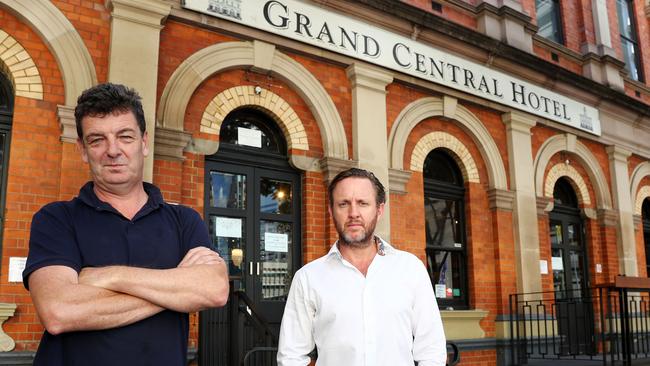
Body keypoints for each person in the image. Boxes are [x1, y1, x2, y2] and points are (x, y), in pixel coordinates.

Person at [23, 83, 229, 366]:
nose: (113, 150)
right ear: (83, 149)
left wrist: (108, 276)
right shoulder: (56, 219)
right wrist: (177, 291)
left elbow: (214, 290)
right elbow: (59, 312)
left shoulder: (184, 220)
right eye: (97, 140)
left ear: (144, 142)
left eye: (125, 136)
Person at [277, 168, 447, 366]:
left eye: (363, 203)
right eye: (344, 204)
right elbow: (291, 356)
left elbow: (432, 350)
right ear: (331, 210)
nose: (353, 213)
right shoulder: (308, 278)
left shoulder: (411, 269)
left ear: (379, 209)